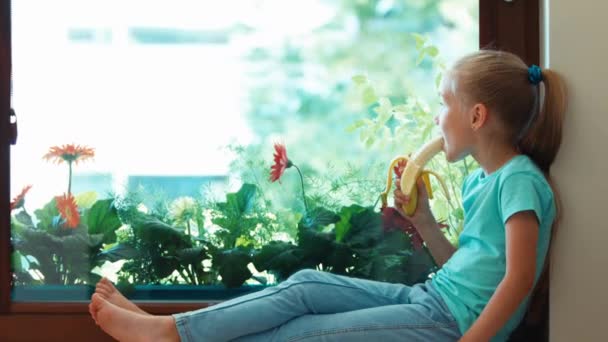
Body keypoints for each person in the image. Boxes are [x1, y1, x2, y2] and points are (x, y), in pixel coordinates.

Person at [88, 49, 567, 342]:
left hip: (452, 324)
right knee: (305, 286)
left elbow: (518, 278)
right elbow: (470, 264)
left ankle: (170, 335)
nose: (439, 118)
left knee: (301, 335)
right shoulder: (480, 180)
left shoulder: (518, 180)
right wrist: (424, 224)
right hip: (432, 299)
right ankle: (172, 329)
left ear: (478, 116)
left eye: (445, 104)